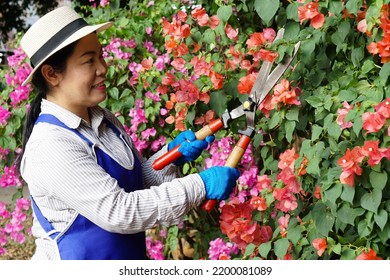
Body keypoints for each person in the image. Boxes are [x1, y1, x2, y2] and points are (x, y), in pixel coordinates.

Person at [17, 6, 240, 260]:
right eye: (89, 61)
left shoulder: (102, 118)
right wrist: (201, 184)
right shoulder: (51, 145)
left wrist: (171, 156)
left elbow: (132, 184)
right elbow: (119, 211)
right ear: (51, 74)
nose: (102, 68)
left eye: (100, 56)